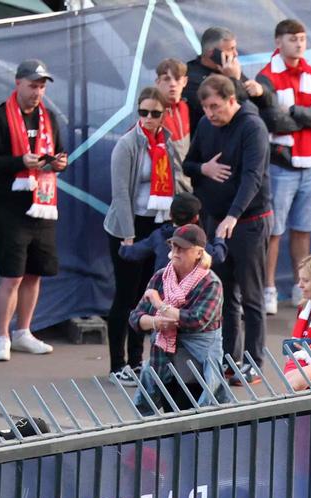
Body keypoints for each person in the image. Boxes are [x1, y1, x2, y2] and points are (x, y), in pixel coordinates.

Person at [0, 60, 69, 362]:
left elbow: (58, 151)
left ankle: (23, 332)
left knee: (34, 274)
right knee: (12, 276)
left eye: (42, 86)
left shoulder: (49, 118)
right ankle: (2, 336)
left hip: (43, 205)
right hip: (12, 208)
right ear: (17, 83)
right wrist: (20, 162)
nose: (37, 92)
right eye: (33, 85)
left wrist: (59, 163)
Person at [188, 75, 273, 379]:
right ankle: (229, 358)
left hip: (249, 222)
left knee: (251, 296)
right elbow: (189, 163)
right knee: (223, 295)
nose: (211, 113)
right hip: (215, 221)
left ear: (231, 100)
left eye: (215, 106)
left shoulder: (253, 127)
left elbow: (252, 176)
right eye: (206, 107)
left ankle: (254, 361)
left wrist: (233, 215)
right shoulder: (205, 125)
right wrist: (203, 168)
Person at [106, 86, 187, 382]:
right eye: (144, 112)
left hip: (158, 227)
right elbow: (120, 195)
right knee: (125, 295)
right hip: (129, 227)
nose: (149, 118)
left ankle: (137, 361)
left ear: (165, 114)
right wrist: (128, 236)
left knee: (148, 295)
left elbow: (178, 182)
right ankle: (117, 364)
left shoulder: (167, 142)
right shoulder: (127, 144)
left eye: (155, 113)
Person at [258, 19, 311, 314]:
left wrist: (295, 112)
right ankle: (269, 289)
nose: (299, 43)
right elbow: (273, 119)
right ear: (279, 42)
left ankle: (300, 289)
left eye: (302, 38)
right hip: (281, 165)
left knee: (303, 229)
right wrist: (307, 114)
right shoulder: (267, 77)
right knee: (274, 231)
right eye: (292, 38)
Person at [131, 224, 226, 412]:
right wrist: (155, 322)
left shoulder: (210, 283)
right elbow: (135, 318)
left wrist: (159, 305)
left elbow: (196, 320)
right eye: (174, 246)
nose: (175, 252)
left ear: (199, 253)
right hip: (163, 362)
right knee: (168, 420)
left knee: (197, 422)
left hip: (197, 367)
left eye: (182, 248)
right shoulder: (161, 277)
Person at [156, 57, 193, 151]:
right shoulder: (151, 112)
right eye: (166, 79)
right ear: (158, 82)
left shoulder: (184, 107)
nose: (172, 84)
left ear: (185, 81)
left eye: (177, 79)